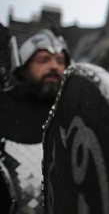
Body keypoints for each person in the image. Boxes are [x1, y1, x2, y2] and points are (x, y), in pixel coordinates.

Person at [0, 28, 72, 213]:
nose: (54, 67)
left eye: (60, 61)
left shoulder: (74, 112)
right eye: (43, 60)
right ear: (23, 67)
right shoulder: (3, 108)